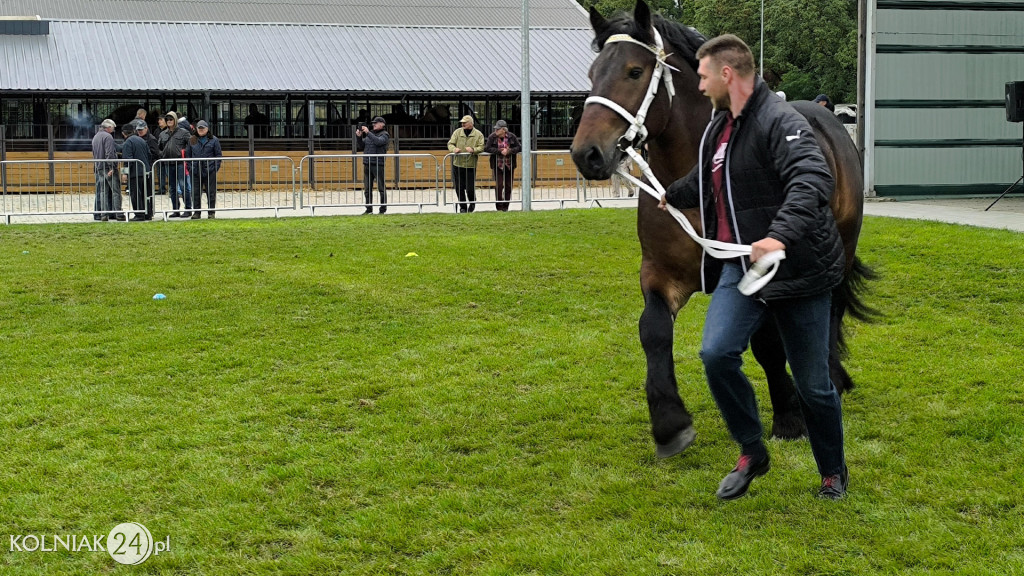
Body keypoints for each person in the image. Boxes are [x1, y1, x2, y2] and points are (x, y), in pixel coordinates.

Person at [658, 34, 848, 501]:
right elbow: (710, 175)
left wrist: (778, 235)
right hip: (740, 266)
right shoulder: (719, 126)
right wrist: (673, 193)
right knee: (716, 354)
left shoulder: (781, 121)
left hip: (798, 271)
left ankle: (832, 470)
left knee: (813, 387)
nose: (698, 86)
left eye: (702, 76)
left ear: (727, 75)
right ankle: (751, 451)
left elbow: (812, 179)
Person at [447, 115, 485, 213]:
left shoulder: (478, 134)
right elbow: (450, 144)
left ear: (471, 123)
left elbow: (481, 147)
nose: (463, 124)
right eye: (462, 122)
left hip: (470, 165)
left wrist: (473, 150)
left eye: (465, 122)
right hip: (458, 164)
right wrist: (453, 149)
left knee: (470, 188)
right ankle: (462, 207)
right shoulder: (457, 132)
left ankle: (472, 203)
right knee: (459, 187)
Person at [157, 112, 192, 218]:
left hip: (180, 163)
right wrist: (162, 154)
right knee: (172, 188)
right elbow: (159, 147)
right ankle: (175, 209)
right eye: (167, 119)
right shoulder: (163, 134)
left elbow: (191, 145)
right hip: (168, 163)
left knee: (183, 185)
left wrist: (185, 154)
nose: (169, 121)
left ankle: (188, 209)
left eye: (171, 119)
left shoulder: (184, 132)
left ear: (175, 120)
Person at [187, 120, 223, 219]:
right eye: (199, 128)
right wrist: (190, 168)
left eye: (203, 128)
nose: (201, 130)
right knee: (195, 192)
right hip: (195, 170)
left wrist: (215, 168)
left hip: (209, 170)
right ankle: (197, 212)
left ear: (207, 129)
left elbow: (218, 155)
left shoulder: (214, 140)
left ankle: (211, 212)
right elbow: (188, 155)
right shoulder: (192, 140)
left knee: (211, 192)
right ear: (196, 129)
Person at [484, 120, 522, 212]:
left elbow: (519, 147)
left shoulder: (512, 137)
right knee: (499, 185)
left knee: (509, 186)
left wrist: (509, 151)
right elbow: (487, 148)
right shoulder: (492, 137)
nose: (496, 130)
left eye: (498, 129)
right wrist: (500, 151)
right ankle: (499, 205)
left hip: (509, 164)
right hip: (497, 164)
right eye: (496, 129)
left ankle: (506, 206)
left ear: (504, 130)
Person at [357, 116, 390, 214]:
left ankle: (382, 209)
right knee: (367, 188)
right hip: (367, 163)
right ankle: (368, 209)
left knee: (381, 187)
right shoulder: (370, 134)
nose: (373, 124)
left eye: (376, 123)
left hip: (377, 164)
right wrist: (359, 137)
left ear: (382, 124)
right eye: (373, 123)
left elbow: (378, 142)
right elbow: (362, 145)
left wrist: (368, 132)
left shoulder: (385, 134)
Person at [119, 123, 152, 220]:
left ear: (123, 133)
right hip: (145, 171)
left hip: (135, 173)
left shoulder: (128, 142)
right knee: (145, 194)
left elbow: (128, 159)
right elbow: (149, 155)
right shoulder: (142, 140)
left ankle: (139, 214)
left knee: (135, 194)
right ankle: (147, 214)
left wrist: (125, 173)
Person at [91, 119, 123, 221]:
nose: (113, 130)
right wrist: (112, 167)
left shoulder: (95, 137)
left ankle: (104, 214)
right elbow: (110, 153)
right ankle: (118, 213)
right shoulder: (108, 137)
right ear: (108, 127)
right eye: (112, 128)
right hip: (108, 168)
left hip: (99, 167)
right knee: (116, 191)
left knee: (103, 191)